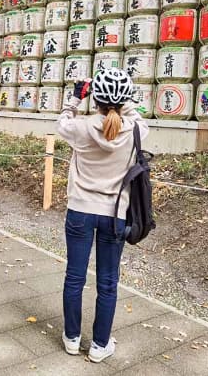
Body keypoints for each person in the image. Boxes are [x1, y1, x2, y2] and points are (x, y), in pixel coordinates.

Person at [57, 68, 149, 363]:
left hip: (80, 211)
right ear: (125, 100)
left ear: (94, 98)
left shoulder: (80, 128)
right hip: (115, 214)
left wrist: (75, 97)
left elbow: (63, 121)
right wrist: (122, 99)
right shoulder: (135, 130)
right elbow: (133, 114)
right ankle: (99, 345)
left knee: (75, 276)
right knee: (107, 282)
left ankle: (72, 339)